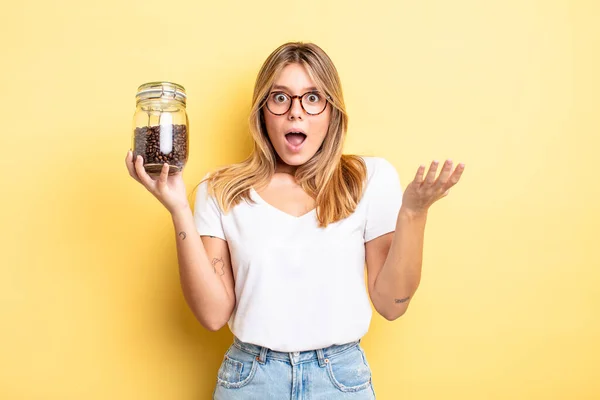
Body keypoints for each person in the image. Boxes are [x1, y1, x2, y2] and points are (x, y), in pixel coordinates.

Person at [125, 42, 464, 399]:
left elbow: (392, 304)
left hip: (340, 381)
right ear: (262, 112)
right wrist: (178, 208)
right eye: (281, 98)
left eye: (313, 98)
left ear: (332, 111)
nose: (295, 113)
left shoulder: (369, 179)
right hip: (250, 380)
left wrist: (413, 213)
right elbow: (212, 315)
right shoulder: (221, 189)